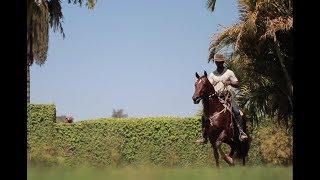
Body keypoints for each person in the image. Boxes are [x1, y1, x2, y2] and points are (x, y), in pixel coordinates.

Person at [196, 54, 248, 144]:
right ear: (215, 62)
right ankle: (204, 136)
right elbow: (207, 87)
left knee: (236, 111)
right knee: (204, 115)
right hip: (216, 98)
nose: (218, 63)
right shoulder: (212, 75)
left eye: (220, 62)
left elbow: (237, 84)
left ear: (223, 62)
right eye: (217, 62)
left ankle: (241, 132)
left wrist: (230, 82)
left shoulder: (229, 72)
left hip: (228, 97)